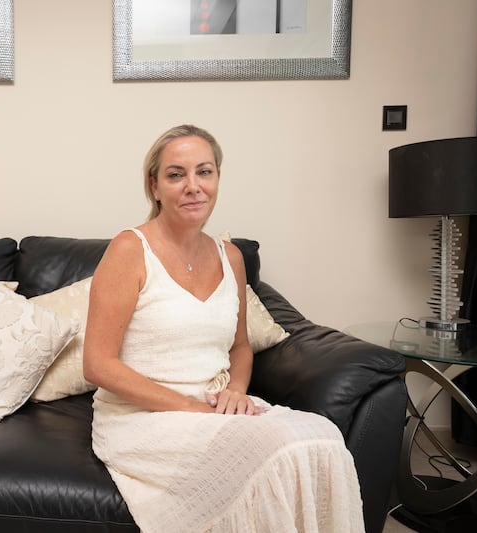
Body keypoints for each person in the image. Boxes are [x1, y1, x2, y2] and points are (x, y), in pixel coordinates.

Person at [83, 124, 365, 532]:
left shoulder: (230, 256)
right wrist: (196, 409)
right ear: (154, 186)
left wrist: (234, 392)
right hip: (141, 417)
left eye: (205, 171)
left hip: (213, 406)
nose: (193, 186)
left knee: (323, 438)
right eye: (176, 174)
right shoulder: (130, 249)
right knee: (277, 450)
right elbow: (98, 364)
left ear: (217, 178)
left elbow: (241, 347)